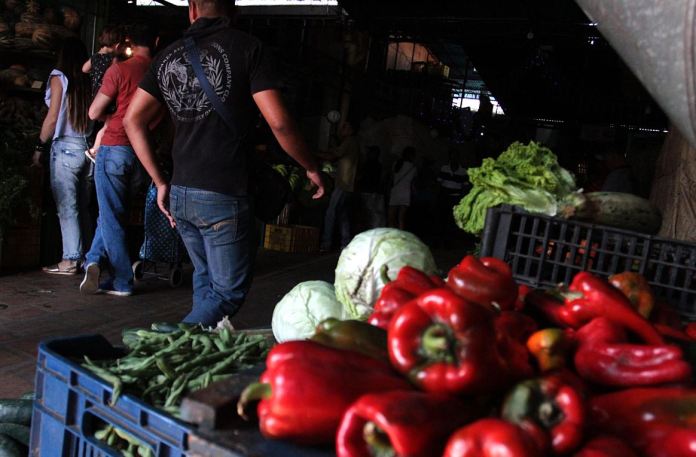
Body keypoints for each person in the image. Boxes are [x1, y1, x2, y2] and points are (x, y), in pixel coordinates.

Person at [123, 0, 324, 326]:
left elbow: (133, 120)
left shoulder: (166, 56)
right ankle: (164, 345)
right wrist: (311, 166)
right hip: (223, 193)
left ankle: (193, 363)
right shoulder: (249, 49)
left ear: (191, 9)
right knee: (228, 292)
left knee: (207, 284)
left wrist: (160, 182)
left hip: (181, 191)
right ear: (234, 11)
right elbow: (280, 123)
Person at [79, 25, 157, 297]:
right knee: (113, 213)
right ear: (157, 41)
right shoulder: (162, 72)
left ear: (129, 43)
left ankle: (122, 280)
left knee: (111, 216)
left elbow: (93, 111)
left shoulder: (120, 70)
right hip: (144, 153)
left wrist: (111, 120)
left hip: (115, 148)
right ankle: (93, 260)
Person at [33, 37, 94, 275]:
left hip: (65, 149)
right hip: (86, 148)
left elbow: (53, 116)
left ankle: (70, 259)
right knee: (83, 207)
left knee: (67, 207)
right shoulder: (88, 79)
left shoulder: (59, 77)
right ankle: (90, 258)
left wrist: (39, 146)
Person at [82, 25, 124, 163]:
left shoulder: (95, 57)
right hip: (106, 99)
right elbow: (116, 75)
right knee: (108, 124)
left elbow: (84, 69)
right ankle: (94, 150)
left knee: (98, 124)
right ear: (117, 45)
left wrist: (95, 74)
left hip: (95, 97)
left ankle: (92, 146)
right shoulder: (114, 60)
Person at [319, 119, 360, 251]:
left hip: (343, 183)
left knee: (331, 212)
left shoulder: (349, 141)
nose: (342, 130)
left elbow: (333, 156)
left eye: (345, 127)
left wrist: (312, 153)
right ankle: (345, 243)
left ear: (351, 130)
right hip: (348, 183)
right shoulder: (353, 143)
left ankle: (326, 243)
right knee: (343, 214)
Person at [355, 145, 386, 229]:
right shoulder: (379, 165)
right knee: (375, 213)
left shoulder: (367, 164)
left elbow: (360, 177)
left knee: (367, 213)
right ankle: (375, 230)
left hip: (367, 191)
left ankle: (368, 230)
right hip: (375, 191)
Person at [387, 146, 417, 230]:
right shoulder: (413, 168)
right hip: (405, 194)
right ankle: (400, 239)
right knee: (401, 219)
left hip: (395, 192)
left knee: (391, 218)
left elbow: (391, 179)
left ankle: (391, 237)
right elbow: (413, 184)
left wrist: (388, 190)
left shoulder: (396, 164)